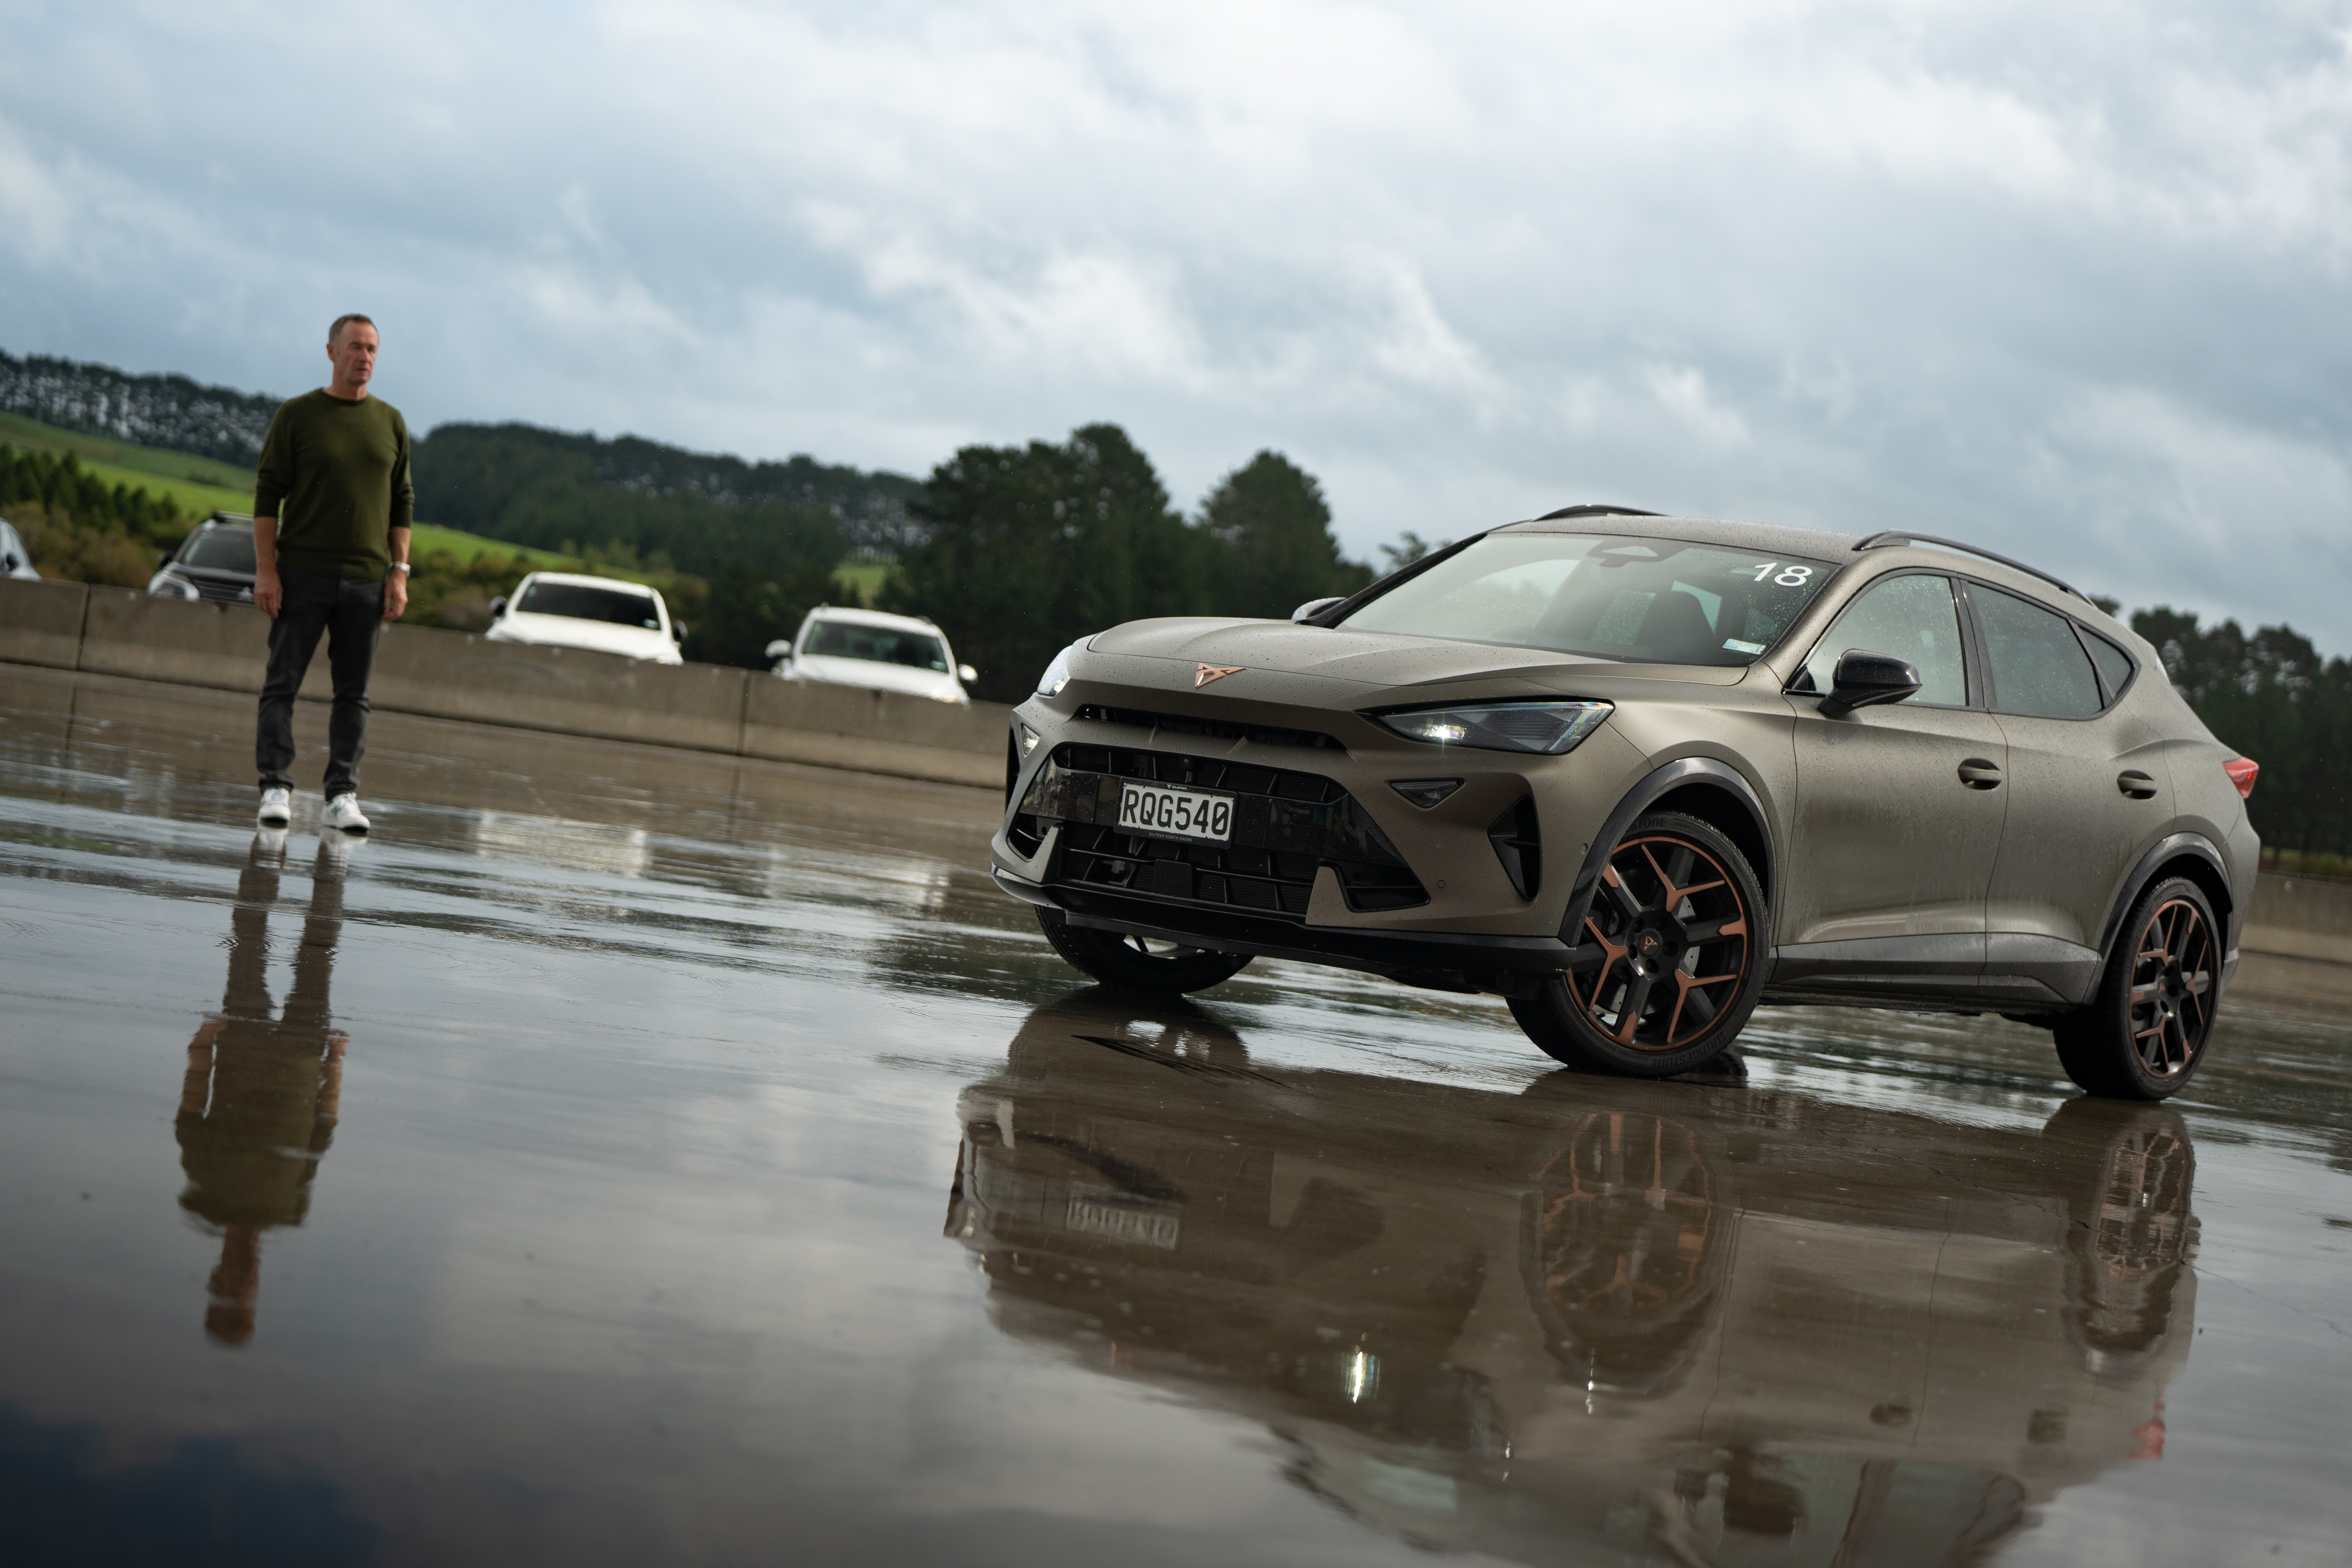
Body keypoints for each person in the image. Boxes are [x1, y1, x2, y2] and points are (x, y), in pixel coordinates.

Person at [177, 829, 354, 1345]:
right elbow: (321, 1133)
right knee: (319, 945)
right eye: (246, 1293)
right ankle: (332, 860)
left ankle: (266, 855)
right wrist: (336, 1062)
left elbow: (192, 1109)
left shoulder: (204, 1195)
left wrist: (204, 1044)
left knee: (250, 939)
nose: (243, 1280)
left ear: (216, 1277)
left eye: (230, 1289)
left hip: (242, 1046)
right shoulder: (290, 1211)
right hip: (303, 1057)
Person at [252, 313, 413, 833]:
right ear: (331, 352)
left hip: (366, 581)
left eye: (371, 349)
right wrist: (267, 571)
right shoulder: (298, 415)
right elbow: (268, 494)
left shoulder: (391, 422)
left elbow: (402, 501)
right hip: (302, 574)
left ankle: (342, 794)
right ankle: (275, 786)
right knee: (283, 684)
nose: (363, 357)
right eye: (354, 347)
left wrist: (399, 572)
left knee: (354, 694)